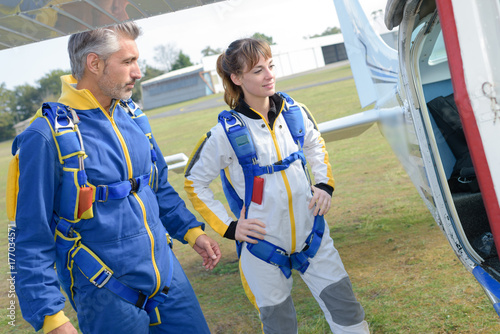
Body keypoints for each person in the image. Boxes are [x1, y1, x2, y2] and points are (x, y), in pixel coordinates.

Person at [7, 22, 221, 334]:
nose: (138, 72)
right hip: (105, 292)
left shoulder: (134, 117)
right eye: (128, 62)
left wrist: (191, 232)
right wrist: (51, 317)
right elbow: (29, 238)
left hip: (168, 280)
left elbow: (157, 188)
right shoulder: (44, 136)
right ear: (94, 63)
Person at [184, 38, 370, 334]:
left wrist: (324, 184)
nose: (269, 75)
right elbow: (194, 182)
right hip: (263, 249)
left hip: (314, 237)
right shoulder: (224, 134)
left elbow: (315, 145)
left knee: (347, 312)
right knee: (279, 326)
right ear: (237, 78)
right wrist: (230, 227)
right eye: (258, 70)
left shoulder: (295, 112)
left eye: (270, 66)